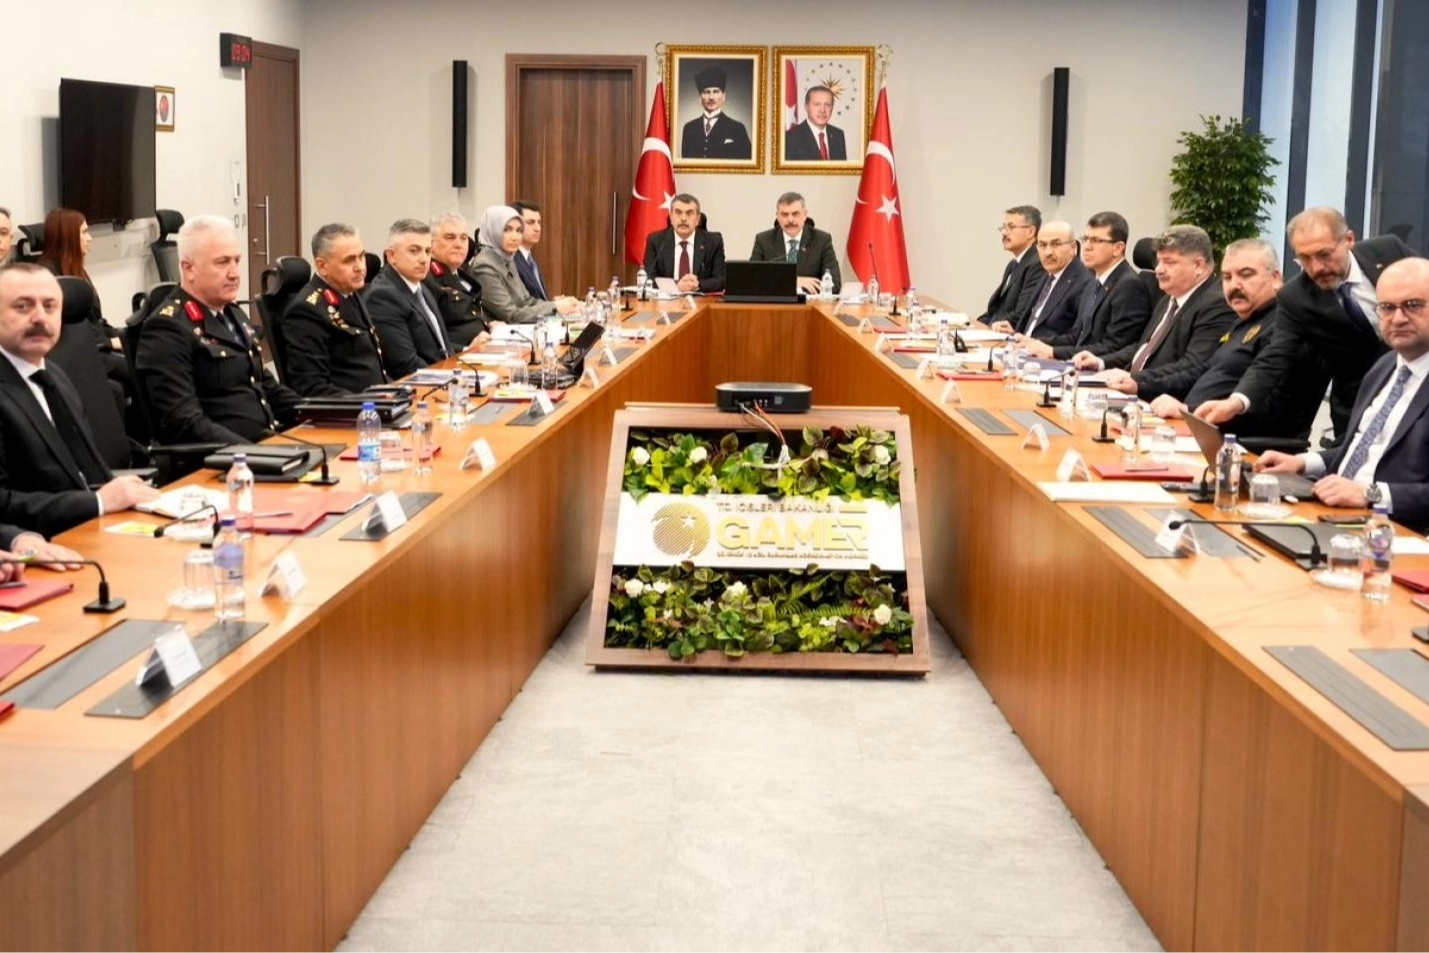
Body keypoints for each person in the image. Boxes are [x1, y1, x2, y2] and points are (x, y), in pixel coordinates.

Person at [1196, 207, 1416, 439]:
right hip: (1359, 403)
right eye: (1305, 258)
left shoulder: (1388, 251)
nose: (1316, 268)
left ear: (1349, 240)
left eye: (1324, 254)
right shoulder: (1296, 298)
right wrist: (1236, 402)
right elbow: (1275, 357)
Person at [1256, 257, 1429, 530]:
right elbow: (1362, 449)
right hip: (1333, 514)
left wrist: (1370, 494)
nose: (1397, 318)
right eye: (1387, 307)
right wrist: (1303, 462)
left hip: (1395, 531)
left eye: (1413, 305)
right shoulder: (1384, 367)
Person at [0, 263, 158, 537]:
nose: (40, 317)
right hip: (37, 544)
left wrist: (126, 494)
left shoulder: (54, 376)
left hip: (93, 528)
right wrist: (97, 502)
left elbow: (84, 471)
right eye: (23, 307)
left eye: (50, 306)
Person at [135, 215, 301, 444]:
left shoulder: (233, 313)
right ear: (188, 269)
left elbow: (268, 388)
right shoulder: (168, 328)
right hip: (224, 459)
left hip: (267, 446)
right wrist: (257, 452)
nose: (234, 273)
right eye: (222, 262)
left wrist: (324, 413)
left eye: (236, 261)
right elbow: (184, 422)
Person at [1149, 239, 1329, 444]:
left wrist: (1189, 411)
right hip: (1196, 432)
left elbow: (1272, 409)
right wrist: (1139, 384)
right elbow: (1202, 371)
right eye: (1227, 277)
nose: (1234, 285)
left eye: (1246, 274)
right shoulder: (1243, 321)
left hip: (1243, 447)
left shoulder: (1287, 327)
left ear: (1275, 278)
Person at [1073, 225, 1235, 402]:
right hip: (1133, 394)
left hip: (1165, 402)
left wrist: (1136, 380)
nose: (1159, 269)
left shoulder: (1216, 305)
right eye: (1158, 261)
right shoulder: (1169, 298)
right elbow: (1145, 347)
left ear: (1198, 265)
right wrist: (1101, 362)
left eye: (1169, 262)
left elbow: (1193, 366)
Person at [1019, 211, 1152, 361]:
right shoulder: (1095, 281)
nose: (1087, 247)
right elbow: (1077, 336)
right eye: (1085, 239)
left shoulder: (1128, 286)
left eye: (1096, 241)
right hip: (1080, 362)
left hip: (1102, 368)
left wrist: (1054, 352)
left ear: (1118, 248)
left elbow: (1114, 346)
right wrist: (1036, 343)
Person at [282, 224, 388, 397]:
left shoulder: (349, 292)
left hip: (376, 401)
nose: (360, 267)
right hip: (351, 408)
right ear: (322, 266)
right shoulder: (307, 310)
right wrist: (367, 402)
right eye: (349, 260)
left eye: (361, 256)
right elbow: (312, 387)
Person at [365, 219, 450, 378]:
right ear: (391, 256)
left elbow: (440, 349)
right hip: (417, 385)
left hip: (442, 376)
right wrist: (451, 378)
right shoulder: (382, 296)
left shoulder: (421, 286)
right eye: (414, 251)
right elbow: (405, 364)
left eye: (428, 251)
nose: (424, 259)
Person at [34, 207, 124, 355]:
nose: (90, 238)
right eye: (84, 232)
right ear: (68, 236)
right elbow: (66, 329)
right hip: (81, 352)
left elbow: (95, 320)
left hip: (94, 344)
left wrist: (122, 337)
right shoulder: (48, 277)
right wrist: (109, 342)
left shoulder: (74, 270)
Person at [468, 206, 579, 325]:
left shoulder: (507, 258)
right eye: (507, 230)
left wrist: (560, 305)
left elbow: (526, 300)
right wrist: (555, 307)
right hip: (497, 332)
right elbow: (511, 315)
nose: (515, 237)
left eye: (519, 230)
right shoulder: (484, 265)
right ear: (493, 230)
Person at [993, 220, 1090, 340]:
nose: (1048, 253)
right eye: (1042, 245)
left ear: (1073, 247)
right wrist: (1015, 330)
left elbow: (1076, 338)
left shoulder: (1084, 282)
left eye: (1056, 244)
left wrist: (1033, 342)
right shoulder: (1047, 276)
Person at [749, 192, 841, 296]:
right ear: (777, 216)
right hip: (775, 304)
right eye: (784, 215)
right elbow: (751, 280)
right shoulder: (764, 241)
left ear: (805, 215)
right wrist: (793, 281)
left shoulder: (821, 240)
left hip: (809, 304)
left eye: (795, 214)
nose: (790, 220)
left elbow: (835, 285)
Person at [425, 212, 487, 348]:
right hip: (457, 355)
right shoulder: (427, 278)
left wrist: (489, 325)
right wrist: (466, 349)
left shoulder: (461, 273)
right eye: (450, 237)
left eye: (463, 238)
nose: (459, 244)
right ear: (431, 243)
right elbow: (427, 338)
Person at [642, 193, 727, 294]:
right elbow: (649, 277)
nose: (683, 218)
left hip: (701, 300)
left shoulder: (713, 241)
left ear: (698, 219)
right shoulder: (656, 241)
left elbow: (721, 280)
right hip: (666, 301)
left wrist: (697, 284)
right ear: (671, 217)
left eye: (689, 213)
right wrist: (677, 285)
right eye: (678, 213)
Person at [980, 206, 1045, 327]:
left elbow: (1021, 314)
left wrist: (990, 327)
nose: (1004, 233)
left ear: (1030, 232)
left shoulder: (1037, 264)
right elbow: (997, 309)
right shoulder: (1013, 265)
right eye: (1003, 228)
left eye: (1011, 227)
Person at [679, 66, 752, 161]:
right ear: (700, 98)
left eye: (716, 92)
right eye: (706, 92)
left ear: (724, 96)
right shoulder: (689, 128)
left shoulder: (737, 128)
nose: (711, 97)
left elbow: (746, 164)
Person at [784, 86, 847, 161]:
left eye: (827, 104)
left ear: (832, 107)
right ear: (806, 107)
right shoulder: (790, 138)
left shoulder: (838, 135)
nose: (822, 110)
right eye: (817, 104)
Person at [509, 202, 550, 302]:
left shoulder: (529, 259)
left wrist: (555, 302)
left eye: (539, 222)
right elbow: (522, 303)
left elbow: (537, 298)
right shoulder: (511, 260)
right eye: (530, 222)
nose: (537, 228)